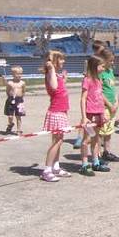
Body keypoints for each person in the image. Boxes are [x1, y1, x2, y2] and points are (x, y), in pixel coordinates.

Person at [40, 50, 72, 183]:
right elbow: (53, 87)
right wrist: (51, 67)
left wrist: (63, 79)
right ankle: (47, 170)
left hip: (62, 111)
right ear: (54, 61)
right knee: (56, 141)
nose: (63, 61)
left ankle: (56, 166)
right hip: (55, 112)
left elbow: (59, 88)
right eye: (61, 59)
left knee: (59, 140)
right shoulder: (50, 73)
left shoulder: (56, 75)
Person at [78, 56, 110, 176]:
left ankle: (95, 161)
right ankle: (84, 164)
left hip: (98, 113)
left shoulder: (98, 80)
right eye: (102, 66)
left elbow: (100, 97)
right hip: (89, 114)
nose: (104, 68)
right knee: (86, 139)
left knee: (96, 138)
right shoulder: (87, 80)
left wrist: (103, 113)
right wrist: (84, 116)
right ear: (95, 66)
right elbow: (83, 98)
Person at [98, 49, 119, 163]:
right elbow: (100, 92)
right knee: (101, 131)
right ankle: (97, 154)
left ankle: (107, 151)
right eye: (110, 61)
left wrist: (116, 101)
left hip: (112, 105)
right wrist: (108, 104)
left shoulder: (110, 71)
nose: (112, 63)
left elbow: (112, 88)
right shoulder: (100, 73)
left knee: (109, 130)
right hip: (104, 106)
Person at [4, 66, 26, 135]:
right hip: (11, 100)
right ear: (13, 74)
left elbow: (24, 91)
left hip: (19, 100)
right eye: (17, 74)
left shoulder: (22, 83)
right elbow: (7, 91)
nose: (19, 75)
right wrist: (10, 98)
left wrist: (20, 98)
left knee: (18, 116)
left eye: (20, 74)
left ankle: (18, 129)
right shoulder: (10, 83)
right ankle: (10, 124)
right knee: (10, 116)